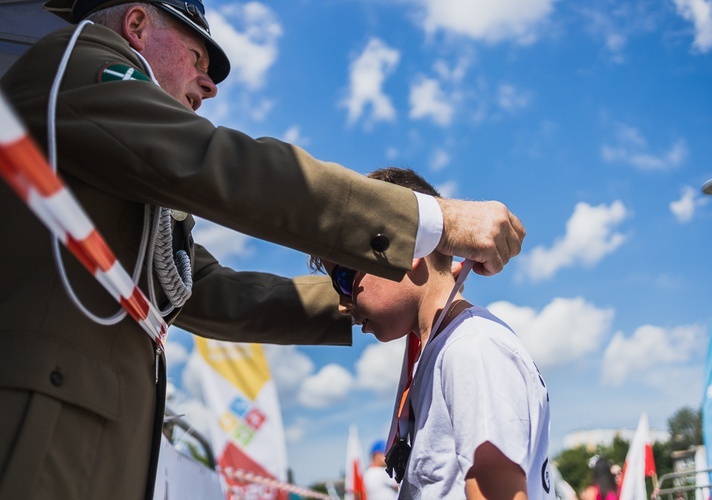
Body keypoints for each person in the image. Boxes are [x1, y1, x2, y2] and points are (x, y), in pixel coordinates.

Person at [0, 1, 526, 498]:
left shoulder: (119, 156)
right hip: (38, 437)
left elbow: (203, 290)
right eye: (197, 56)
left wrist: (364, 297)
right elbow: (218, 163)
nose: (208, 85)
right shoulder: (75, 64)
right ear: (136, 25)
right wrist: (432, 219)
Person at [311, 167, 552, 500]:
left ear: (408, 251)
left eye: (343, 278)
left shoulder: (472, 349)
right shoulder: (445, 351)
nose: (343, 304)